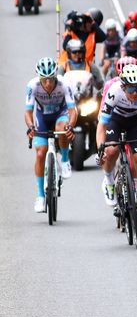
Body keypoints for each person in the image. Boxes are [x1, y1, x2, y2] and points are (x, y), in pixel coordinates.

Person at [97, 63, 137, 232]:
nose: (135, 93)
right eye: (131, 89)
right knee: (111, 151)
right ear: (123, 86)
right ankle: (108, 181)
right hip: (115, 119)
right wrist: (100, 148)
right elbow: (101, 126)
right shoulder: (114, 92)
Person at [25, 58, 76, 212]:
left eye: (51, 80)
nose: (47, 84)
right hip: (42, 117)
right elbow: (28, 111)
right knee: (40, 153)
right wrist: (30, 127)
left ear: (55, 76)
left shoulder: (64, 84)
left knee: (62, 128)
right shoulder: (32, 86)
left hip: (61, 114)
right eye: (44, 80)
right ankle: (40, 196)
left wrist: (71, 127)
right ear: (39, 78)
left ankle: (65, 160)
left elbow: (73, 110)